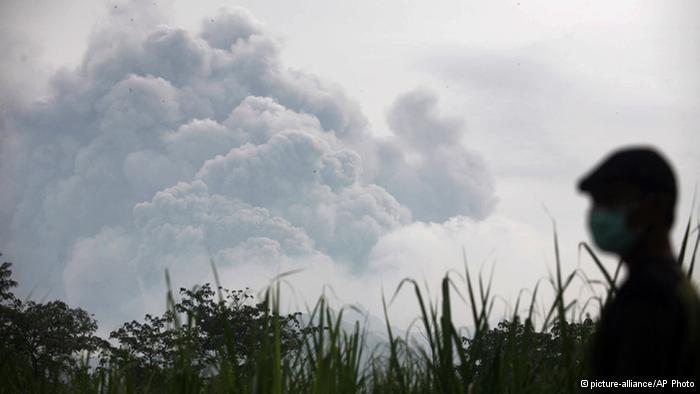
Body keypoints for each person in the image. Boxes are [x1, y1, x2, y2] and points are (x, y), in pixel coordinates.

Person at [577, 146, 700, 386]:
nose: (598, 214)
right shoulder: (677, 287)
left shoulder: (648, 295)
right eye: (596, 202)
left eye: (611, 200)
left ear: (656, 207)